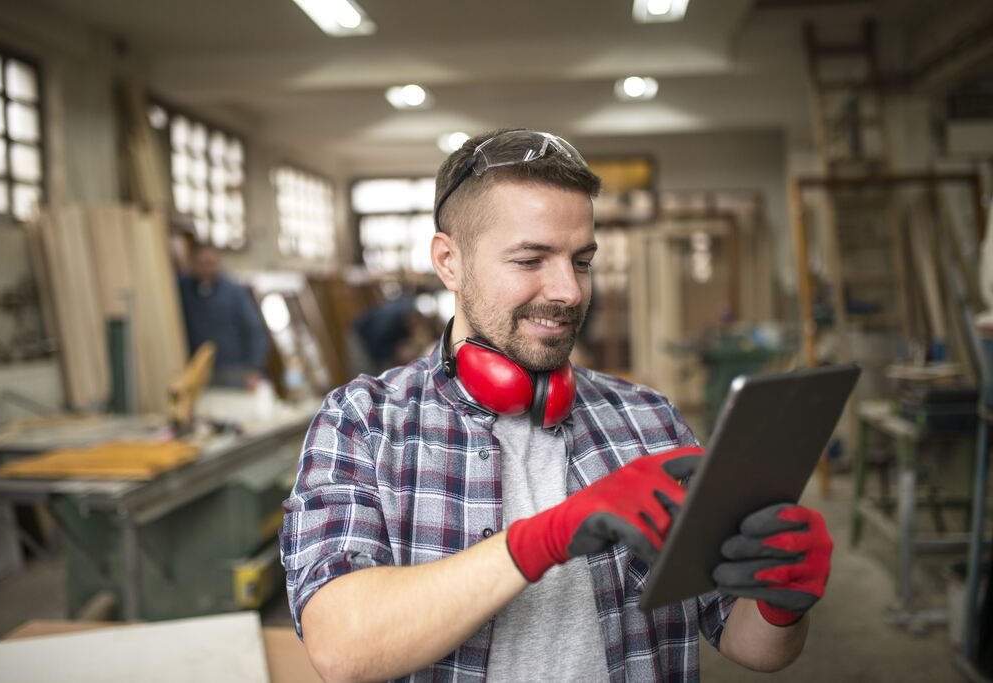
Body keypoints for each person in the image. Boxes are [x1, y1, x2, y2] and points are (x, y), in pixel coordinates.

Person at [280, 129, 833, 682]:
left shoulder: (650, 421)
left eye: (581, 261)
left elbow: (748, 643)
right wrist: (543, 537)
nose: (568, 291)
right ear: (449, 262)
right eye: (531, 260)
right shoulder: (364, 423)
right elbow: (342, 648)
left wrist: (780, 600)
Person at [177, 242, 268, 390]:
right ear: (192, 264)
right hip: (196, 370)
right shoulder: (183, 288)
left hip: (232, 369)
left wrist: (254, 368)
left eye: (210, 263)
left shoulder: (234, 292)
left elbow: (255, 330)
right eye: (201, 264)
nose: (206, 269)